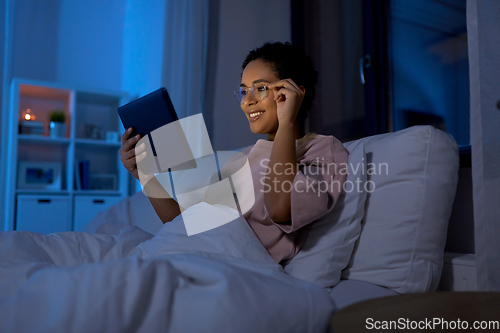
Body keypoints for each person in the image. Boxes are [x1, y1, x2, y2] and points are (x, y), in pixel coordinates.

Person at [119, 41, 348, 264]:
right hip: (192, 253)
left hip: (231, 265)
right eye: (243, 91)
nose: (246, 102)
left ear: (294, 93)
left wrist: (287, 121)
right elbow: (184, 224)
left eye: (259, 89)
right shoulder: (243, 159)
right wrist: (145, 174)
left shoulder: (322, 149)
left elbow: (280, 209)